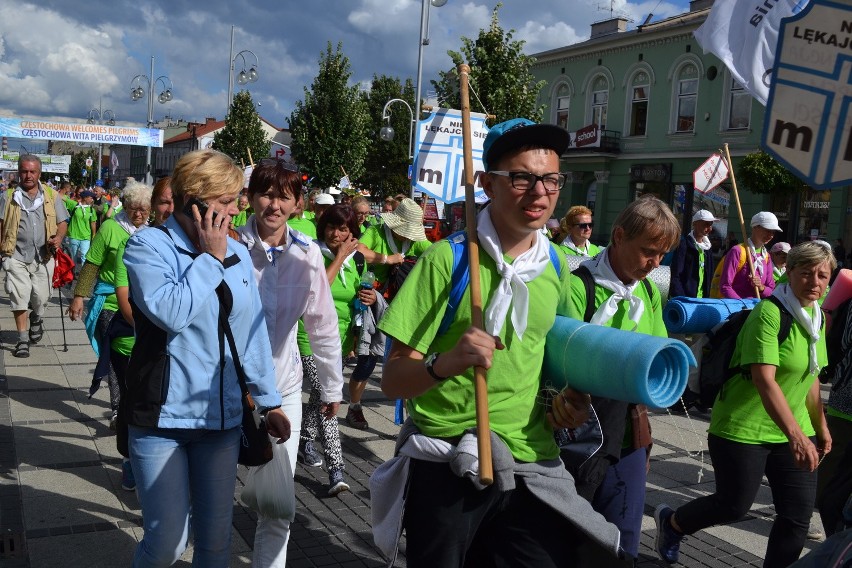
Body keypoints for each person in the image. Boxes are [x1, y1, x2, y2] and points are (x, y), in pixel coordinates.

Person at [374, 118, 620, 566]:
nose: (540, 191)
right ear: (487, 183)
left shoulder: (559, 268)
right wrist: (445, 363)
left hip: (531, 461)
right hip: (449, 462)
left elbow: (557, 364)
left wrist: (567, 399)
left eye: (551, 179)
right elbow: (392, 381)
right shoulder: (445, 261)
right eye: (522, 177)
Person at [121, 149, 289, 567]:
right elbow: (172, 311)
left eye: (236, 199)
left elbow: (250, 333)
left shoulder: (235, 252)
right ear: (196, 201)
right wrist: (210, 259)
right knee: (167, 543)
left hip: (222, 422)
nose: (237, 210)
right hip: (162, 420)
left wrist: (269, 402)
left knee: (216, 543)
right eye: (227, 201)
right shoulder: (148, 246)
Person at [655, 241, 834, 567]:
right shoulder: (769, 313)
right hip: (742, 427)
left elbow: (810, 376)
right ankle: (673, 523)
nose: (815, 282)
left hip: (793, 428)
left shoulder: (816, 317)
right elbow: (765, 379)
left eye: (823, 276)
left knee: (796, 518)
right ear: (789, 272)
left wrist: (819, 428)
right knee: (734, 506)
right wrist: (797, 436)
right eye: (806, 273)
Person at [235, 158, 344, 566]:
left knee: (278, 505)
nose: (274, 205)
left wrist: (331, 387)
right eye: (265, 193)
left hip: (282, 390)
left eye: (284, 196)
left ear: (299, 203)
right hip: (227, 389)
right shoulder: (229, 246)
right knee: (207, 496)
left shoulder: (308, 254)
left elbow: (323, 325)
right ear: (250, 198)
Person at [566, 197, 679, 562]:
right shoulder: (578, 286)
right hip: (579, 434)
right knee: (575, 536)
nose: (656, 263)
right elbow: (557, 363)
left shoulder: (649, 289)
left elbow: (658, 351)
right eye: (649, 251)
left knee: (623, 542)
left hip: (629, 433)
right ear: (618, 236)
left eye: (662, 255)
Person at [68, 179, 152, 441]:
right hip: (110, 302)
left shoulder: (155, 231)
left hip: (145, 305)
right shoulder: (110, 228)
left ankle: (138, 402)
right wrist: (79, 296)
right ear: (124, 205)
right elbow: (92, 263)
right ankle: (117, 408)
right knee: (115, 358)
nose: (138, 214)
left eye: (143, 209)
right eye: (133, 207)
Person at [0, 155, 69, 358]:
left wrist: (58, 237)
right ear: (19, 172)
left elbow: (62, 222)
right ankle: (22, 340)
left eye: (32, 171)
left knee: (42, 297)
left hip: (44, 256)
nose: (28, 175)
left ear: (39, 173)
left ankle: (37, 318)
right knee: (18, 296)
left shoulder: (51, 195)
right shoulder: (9, 196)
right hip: (16, 254)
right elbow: (1, 225)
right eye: (24, 171)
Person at [357, 197, 431, 293]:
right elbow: (359, 252)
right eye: (406, 232)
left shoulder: (414, 241)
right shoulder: (376, 232)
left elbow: (437, 252)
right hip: (372, 292)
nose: (408, 236)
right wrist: (387, 259)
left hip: (400, 294)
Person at [719, 211, 780, 299]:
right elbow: (725, 286)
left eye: (773, 232)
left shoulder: (766, 256)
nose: (770, 235)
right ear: (755, 227)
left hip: (756, 309)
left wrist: (761, 287)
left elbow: (771, 289)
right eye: (767, 230)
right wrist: (743, 305)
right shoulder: (737, 251)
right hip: (737, 309)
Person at [670, 209, 718, 298]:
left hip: (703, 300)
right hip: (686, 300)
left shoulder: (708, 248)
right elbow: (675, 274)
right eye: (706, 224)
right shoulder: (683, 246)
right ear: (695, 224)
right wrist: (681, 297)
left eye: (711, 224)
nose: (710, 228)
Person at [64, 190, 98, 269]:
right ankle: (72, 273)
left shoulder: (91, 210)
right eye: (91, 197)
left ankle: (82, 278)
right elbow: (61, 197)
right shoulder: (75, 205)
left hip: (86, 237)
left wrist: (94, 234)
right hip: (74, 235)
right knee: (73, 257)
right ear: (85, 198)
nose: (92, 199)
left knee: (84, 256)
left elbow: (93, 223)